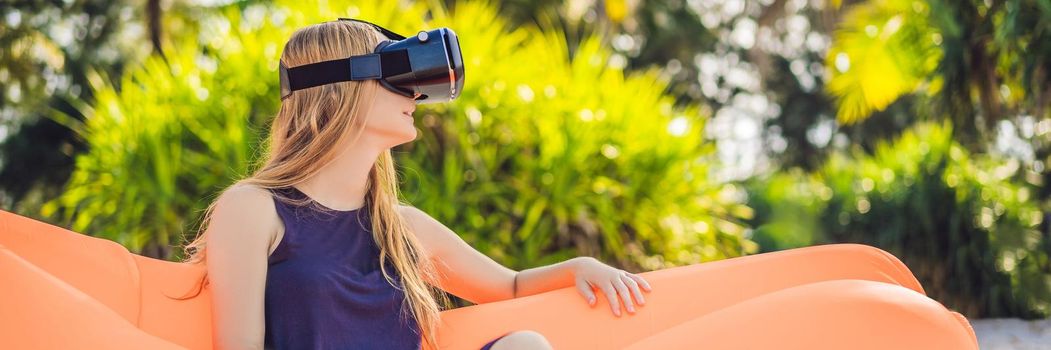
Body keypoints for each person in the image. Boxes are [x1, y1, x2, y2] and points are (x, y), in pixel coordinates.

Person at [179, 19, 650, 350]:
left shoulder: (404, 227)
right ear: (345, 88)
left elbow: (509, 287)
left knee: (524, 345)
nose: (418, 94)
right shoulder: (254, 208)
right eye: (398, 79)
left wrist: (579, 267)